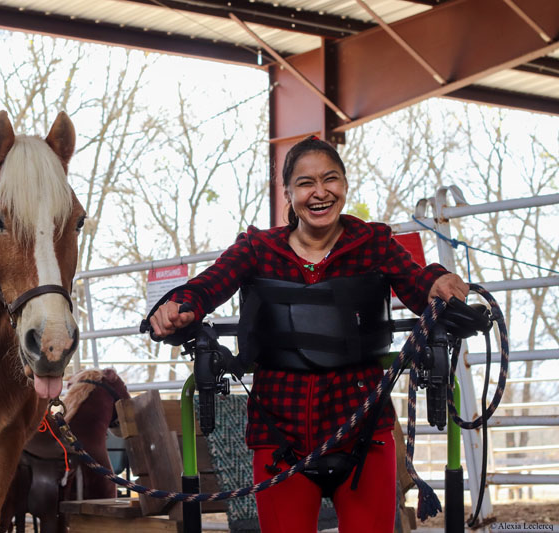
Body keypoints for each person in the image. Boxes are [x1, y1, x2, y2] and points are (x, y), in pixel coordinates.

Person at [148, 135, 469, 533]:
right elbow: (206, 287)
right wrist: (178, 306)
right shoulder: (257, 249)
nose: (320, 192)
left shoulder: (374, 243)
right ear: (288, 193)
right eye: (305, 183)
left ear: (345, 184)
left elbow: (419, 285)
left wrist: (439, 281)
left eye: (330, 179)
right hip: (279, 434)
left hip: (362, 430)